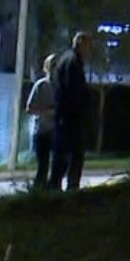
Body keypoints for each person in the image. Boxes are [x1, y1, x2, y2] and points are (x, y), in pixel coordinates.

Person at [48, 33, 93, 192]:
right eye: (88, 45)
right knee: (73, 154)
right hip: (70, 117)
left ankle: (56, 187)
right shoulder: (73, 62)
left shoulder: (68, 59)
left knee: (63, 154)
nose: (90, 50)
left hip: (65, 115)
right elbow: (72, 90)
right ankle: (69, 188)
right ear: (80, 43)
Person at [24, 54, 58, 190]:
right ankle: (38, 191)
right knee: (43, 166)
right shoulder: (41, 85)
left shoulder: (61, 86)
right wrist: (48, 111)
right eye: (53, 66)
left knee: (58, 165)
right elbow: (29, 108)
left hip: (56, 131)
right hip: (42, 131)